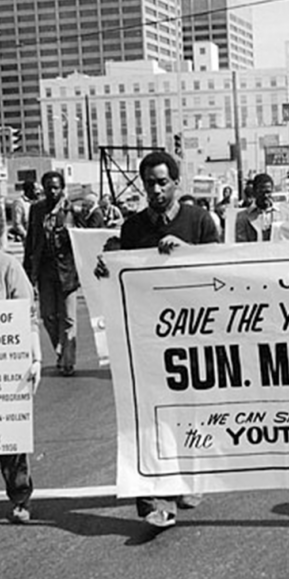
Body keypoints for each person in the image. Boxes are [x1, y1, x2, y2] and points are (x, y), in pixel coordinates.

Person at [96, 151, 220, 529]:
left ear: (176, 183)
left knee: (190, 411)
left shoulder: (199, 221)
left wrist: (183, 254)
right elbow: (123, 274)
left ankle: (189, 478)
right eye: (149, 182)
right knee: (147, 413)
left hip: (193, 333)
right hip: (149, 336)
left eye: (162, 181)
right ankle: (152, 497)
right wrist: (106, 269)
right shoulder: (133, 229)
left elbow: (221, 269)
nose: (155, 189)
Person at [23, 170, 79, 377]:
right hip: (45, 270)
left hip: (68, 271)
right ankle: (60, 348)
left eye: (56, 187)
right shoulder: (36, 210)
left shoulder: (71, 209)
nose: (52, 191)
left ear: (62, 188)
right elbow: (31, 239)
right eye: (48, 187)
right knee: (47, 315)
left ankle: (68, 361)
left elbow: (83, 237)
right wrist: (28, 272)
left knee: (69, 318)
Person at [0, 250, 42, 523]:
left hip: (5, 364)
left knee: (8, 436)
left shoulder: (8, 266)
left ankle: (19, 495)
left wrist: (35, 357)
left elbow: (26, 315)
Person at [235, 173, 285, 242]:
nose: (265, 195)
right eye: (261, 192)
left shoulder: (282, 214)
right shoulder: (242, 217)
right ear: (254, 192)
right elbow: (241, 245)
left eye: (268, 192)